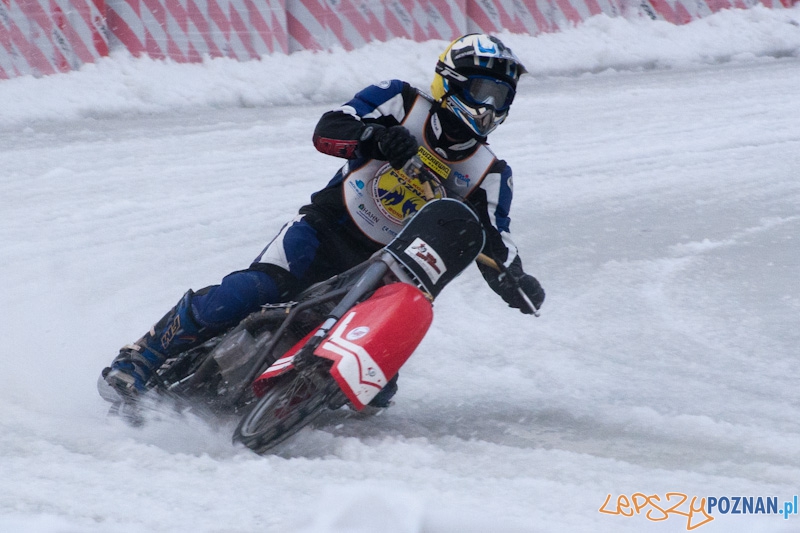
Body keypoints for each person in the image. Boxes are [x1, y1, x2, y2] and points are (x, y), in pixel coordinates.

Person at [101, 33, 545, 408]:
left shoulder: (489, 173)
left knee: (378, 391)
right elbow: (329, 128)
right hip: (322, 231)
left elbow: (494, 240)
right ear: (452, 82)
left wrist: (515, 280)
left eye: (502, 98)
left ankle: (293, 403)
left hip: (386, 274)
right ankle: (143, 354)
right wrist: (371, 136)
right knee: (249, 292)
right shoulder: (401, 101)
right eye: (484, 93)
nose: (491, 108)